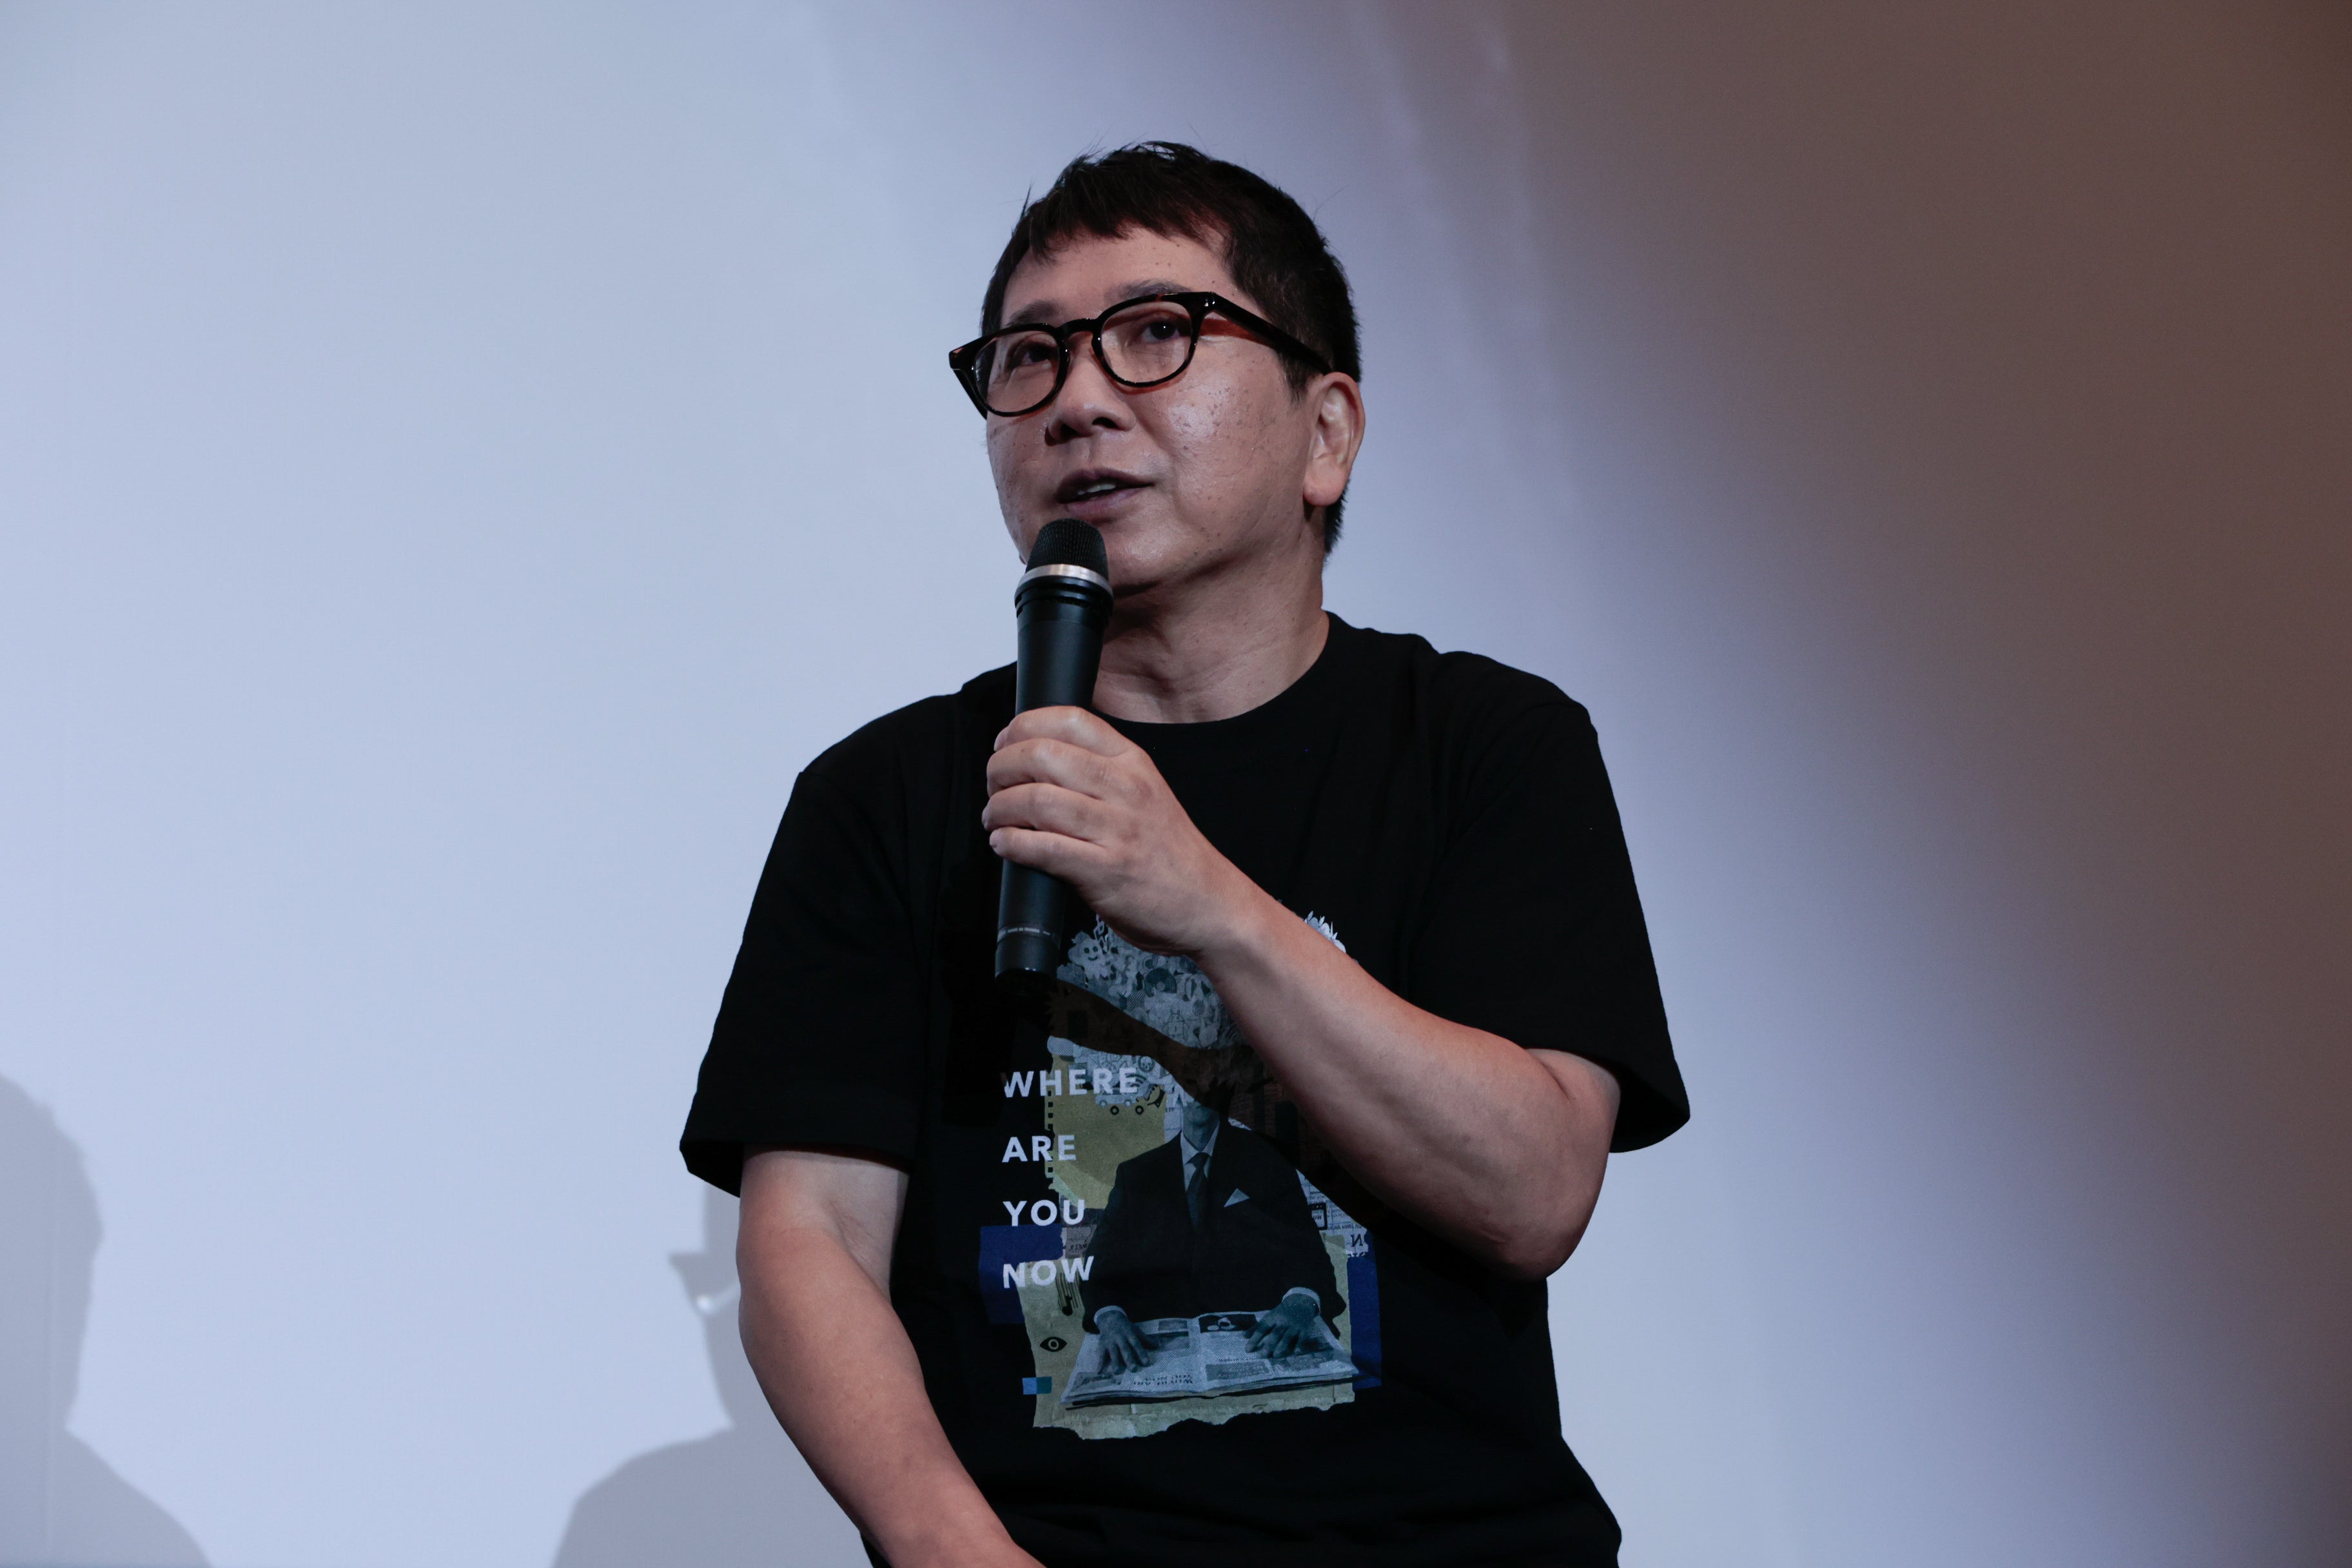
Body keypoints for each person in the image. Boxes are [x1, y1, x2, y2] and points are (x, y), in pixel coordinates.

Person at [681, 142, 1688, 1568]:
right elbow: (811, 1242)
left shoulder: (1482, 745)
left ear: (1325, 431)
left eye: (1156, 334)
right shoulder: (886, 795)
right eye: (1028, 357)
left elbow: (1532, 1192)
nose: (1078, 399)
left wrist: (1205, 899)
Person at [1081, 1090, 1343, 1371]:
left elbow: (1309, 1254)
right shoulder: (1136, 1174)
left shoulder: (1269, 1160)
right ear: (1174, 1094)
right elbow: (1098, 1264)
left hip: (1260, 1347)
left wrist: (1301, 1301)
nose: (1197, 1091)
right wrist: (1110, 1316)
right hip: (1155, 1357)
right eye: (1185, 1082)